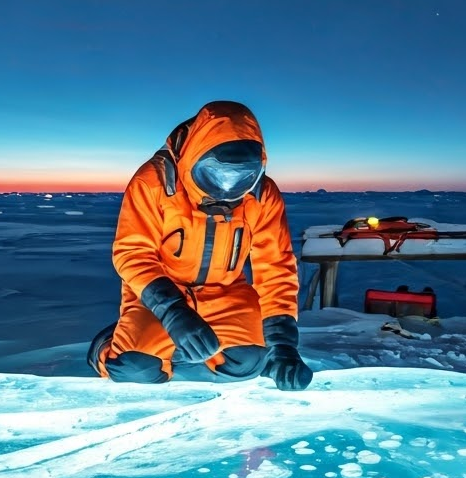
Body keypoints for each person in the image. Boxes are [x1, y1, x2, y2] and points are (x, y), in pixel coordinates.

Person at [87, 99, 313, 390]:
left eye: (241, 177)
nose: (228, 188)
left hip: (226, 294)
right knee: (136, 369)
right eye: (217, 174)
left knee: (246, 364)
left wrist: (283, 346)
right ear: (195, 157)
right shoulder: (153, 182)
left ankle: (201, 349)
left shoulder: (263, 196)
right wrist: (173, 312)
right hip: (159, 295)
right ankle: (108, 347)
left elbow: (275, 268)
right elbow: (132, 253)